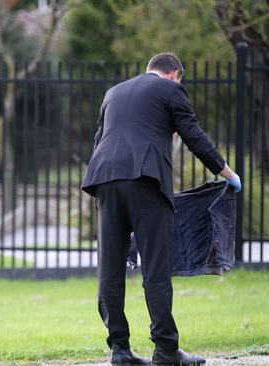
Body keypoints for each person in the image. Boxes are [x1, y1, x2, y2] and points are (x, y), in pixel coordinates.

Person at [81, 53, 241, 366]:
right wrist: (228, 173)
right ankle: (166, 350)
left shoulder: (113, 93)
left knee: (110, 269)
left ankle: (120, 350)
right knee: (156, 267)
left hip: (104, 180)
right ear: (174, 74)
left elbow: (99, 140)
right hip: (145, 180)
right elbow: (194, 136)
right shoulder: (171, 91)